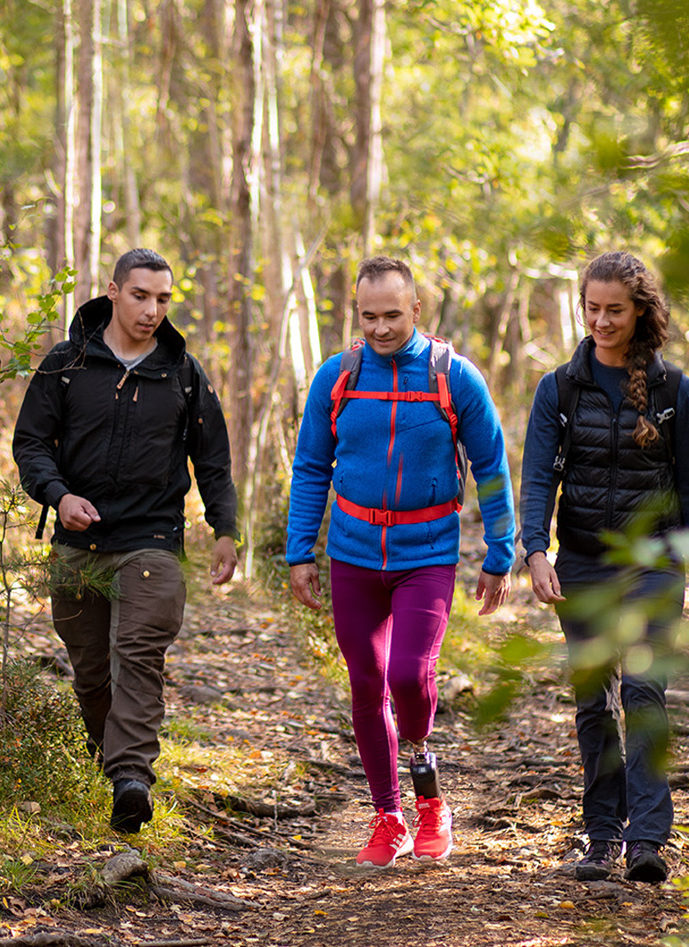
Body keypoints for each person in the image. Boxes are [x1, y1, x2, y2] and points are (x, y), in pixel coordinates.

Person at [286, 256, 516, 867]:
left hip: (427, 553)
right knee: (367, 682)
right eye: (369, 317)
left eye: (392, 314)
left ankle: (429, 795)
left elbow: (492, 467)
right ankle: (388, 816)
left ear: (416, 309)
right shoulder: (338, 377)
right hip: (353, 553)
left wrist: (501, 552)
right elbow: (311, 467)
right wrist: (299, 552)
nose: (381, 328)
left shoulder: (454, 377)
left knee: (409, 678)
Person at [13, 248, 239, 834]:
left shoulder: (182, 374)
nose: (151, 310)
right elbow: (31, 443)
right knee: (91, 671)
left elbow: (213, 459)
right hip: (77, 543)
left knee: (138, 656)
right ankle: (109, 759)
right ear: (113, 292)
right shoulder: (66, 363)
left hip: (152, 539)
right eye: (140, 296)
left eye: (162, 299)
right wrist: (59, 495)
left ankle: (132, 778)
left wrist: (225, 530)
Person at [519, 250, 689, 884]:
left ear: (640, 312)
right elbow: (538, 478)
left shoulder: (673, 391)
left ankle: (648, 840)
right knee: (595, 703)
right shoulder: (558, 388)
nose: (602, 321)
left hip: (654, 564)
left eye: (614, 310)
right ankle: (603, 836)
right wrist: (535, 551)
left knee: (643, 690)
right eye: (592, 308)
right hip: (582, 563)